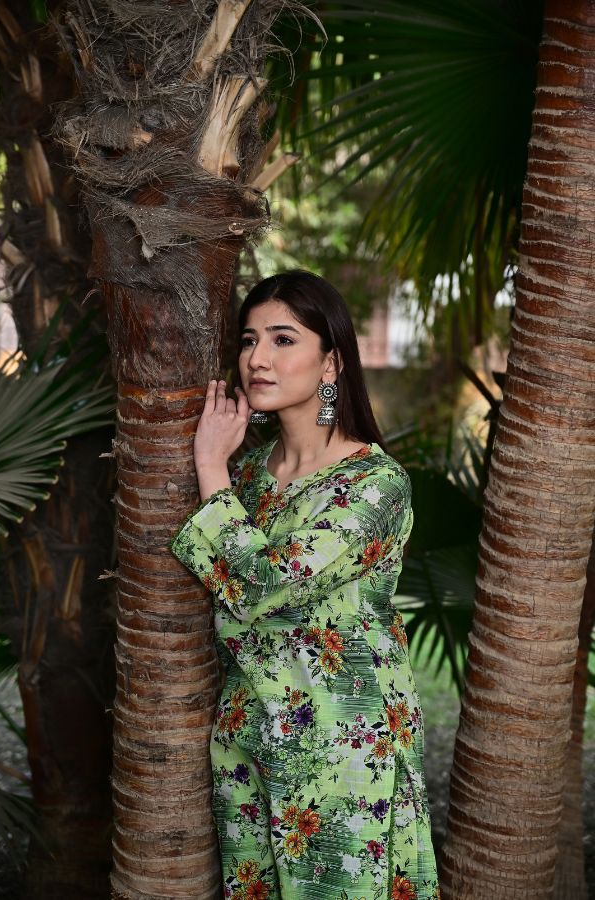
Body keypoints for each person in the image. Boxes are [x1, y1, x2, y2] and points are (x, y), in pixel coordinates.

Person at [170, 270, 439, 900]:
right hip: (246, 741)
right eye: (248, 340)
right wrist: (227, 475)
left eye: (283, 340)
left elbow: (263, 587)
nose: (256, 359)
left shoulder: (373, 485)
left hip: (341, 752)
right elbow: (218, 586)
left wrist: (210, 467)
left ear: (331, 363)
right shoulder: (253, 481)